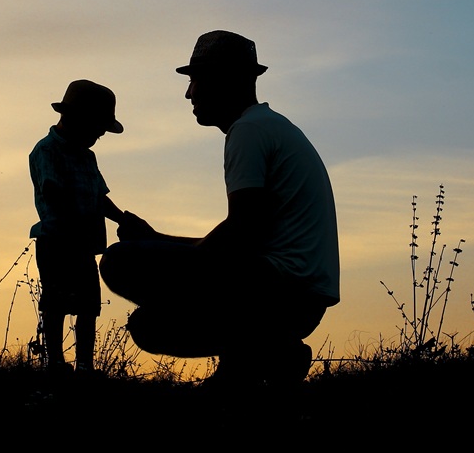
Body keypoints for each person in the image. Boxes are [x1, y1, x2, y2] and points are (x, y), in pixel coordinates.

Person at [99, 31, 340, 385]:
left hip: (279, 293)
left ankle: (269, 352)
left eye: (194, 80)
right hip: (295, 293)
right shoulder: (269, 127)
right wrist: (159, 239)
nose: (188, 93)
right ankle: (248, 361)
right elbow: (245, 236)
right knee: (149, 303)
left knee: (122, 264)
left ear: (222, 79)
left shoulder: (248, 132)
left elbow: (241, 233)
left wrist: (160, 255)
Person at [30, 79, 138, 374]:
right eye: (97, 127)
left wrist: (124, 219)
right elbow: (53, 190)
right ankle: (55, 363)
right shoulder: (47, 150)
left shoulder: (87, 156)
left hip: (84, 244)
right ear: (75, 118)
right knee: (56, 303)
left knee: (88, 306)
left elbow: (100, 197)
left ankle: (85, 366)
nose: (100, 133)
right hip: (56, 242)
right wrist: (77, 220)